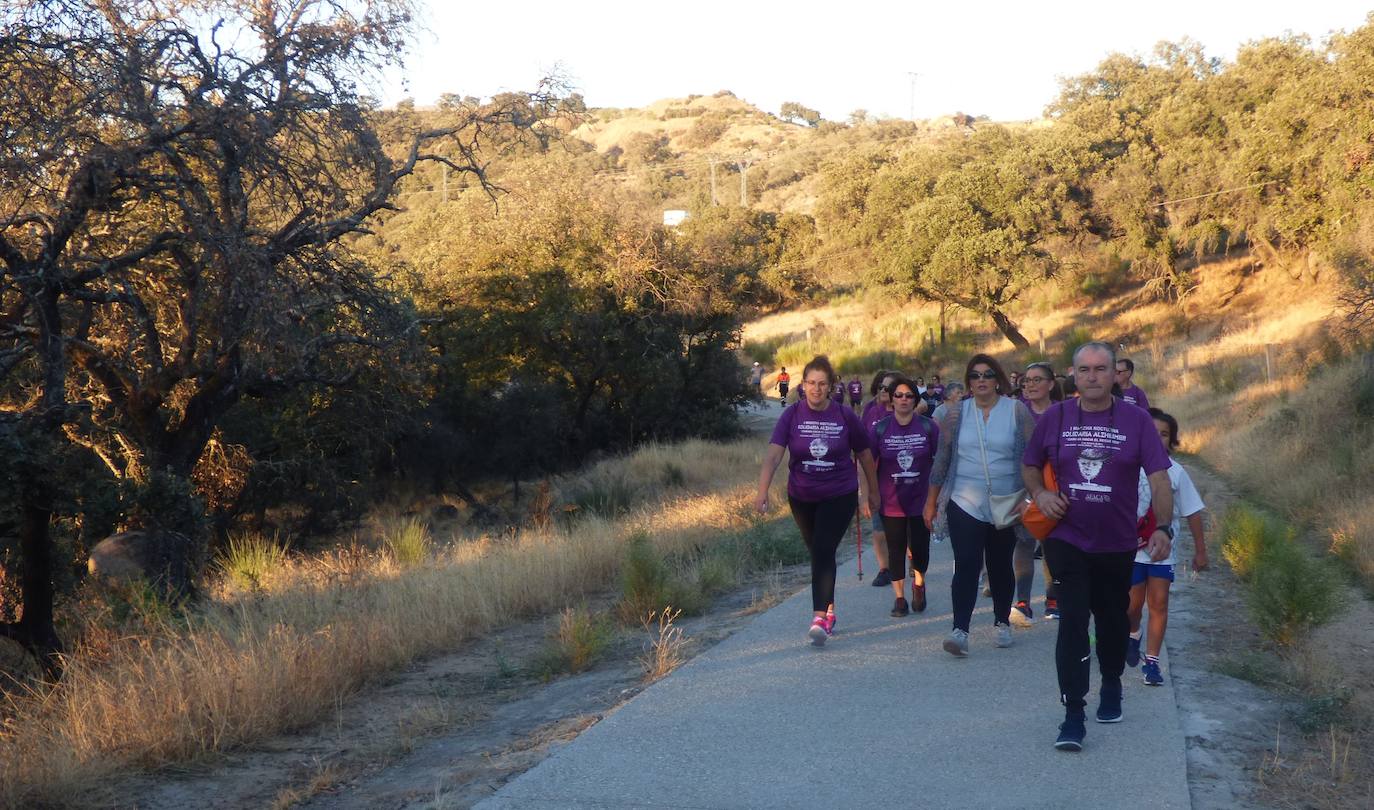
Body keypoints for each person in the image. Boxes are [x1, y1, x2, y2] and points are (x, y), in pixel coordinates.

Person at [1022, 341, 1174, 752]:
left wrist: (1163, 527)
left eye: (1101, 369)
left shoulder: (1136, 420)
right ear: (1072, 375)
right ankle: (1073, 713)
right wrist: (1040, 495)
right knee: (1072, 620)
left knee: (1111, 618)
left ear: (1114, 374)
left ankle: (1111, 684)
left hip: (1117, 541)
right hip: (1067, 537)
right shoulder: (1055, 417)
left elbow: (1159, 477)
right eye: (1084, 369)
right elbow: (1030, 464)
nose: (1092, 376)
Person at [757, 356, 880, 646]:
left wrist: (872, 492)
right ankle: (830, 609)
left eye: (822, 384)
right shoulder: (792, 415)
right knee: (819, 553)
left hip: (839, 493)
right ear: (803, 386)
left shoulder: (845, 415)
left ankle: (818, 617)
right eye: (811, 383)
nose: (816, 388)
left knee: (824, 548)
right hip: (801, 495)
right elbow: (774, 455)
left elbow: (864, 455)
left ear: (831, 386)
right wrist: (762, 491)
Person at [927, 355, 1035, 657]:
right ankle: (959, 629)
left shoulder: (1017, 411)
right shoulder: (956, 413)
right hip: (965, 499)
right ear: (968, 382)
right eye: (974, 376)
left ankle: (1002, 621)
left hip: (1006, 500)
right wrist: (931, 501)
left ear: (998, 378)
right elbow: (943, 457)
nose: (981, 380)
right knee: (966, 563)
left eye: (987, 374)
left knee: (1001, 564)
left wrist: (1032, 496)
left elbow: (1033, 456)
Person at [1128, 408, 1207, 686]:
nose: (1157, 439)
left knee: (1159, 603)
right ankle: (1133, 632)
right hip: (1132, 549)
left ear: (1171, 441)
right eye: (1152, 433)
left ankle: (1152, 662)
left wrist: (1200, 551)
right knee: (1132, 605)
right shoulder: (1127, 466)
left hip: (1163, 551)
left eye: (1164, 435)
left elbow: (1193, 512)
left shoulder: (1176, 472)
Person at [868, 375, 939, 616]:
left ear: (915, 399)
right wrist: (867, 493)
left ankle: (919, 583)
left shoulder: (928, 427)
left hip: (921, 500)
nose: (903, 399)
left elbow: (941, 461)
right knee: (896, 548)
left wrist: (938, 496)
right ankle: (899, 598)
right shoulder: (881, 429)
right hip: (891, 501)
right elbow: (867, 462)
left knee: (920, 549)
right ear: (891, 399)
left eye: (909, 395)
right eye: (898, 395)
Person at [1011, 362, 1063, 624]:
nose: (1030, 385)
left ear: (1051, 384)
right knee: (1023, 541)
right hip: (1021, 485)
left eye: (1036, 380)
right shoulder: (1016, 413)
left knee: (1051, 543)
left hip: (1054, 487)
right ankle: (1022, 601)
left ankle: (1053, 597)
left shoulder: (1062, 413)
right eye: (1026, 380)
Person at [862, 370, 897, 586]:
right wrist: (863, 491)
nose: (884, 391)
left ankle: (912, 561)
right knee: (878, 528)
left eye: (889, 388)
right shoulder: (870, 410)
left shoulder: (905, 409)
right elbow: (861, 443)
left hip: (902, 478)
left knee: (907, 528)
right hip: (876, 476)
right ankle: (885, 568)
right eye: (882, 387)